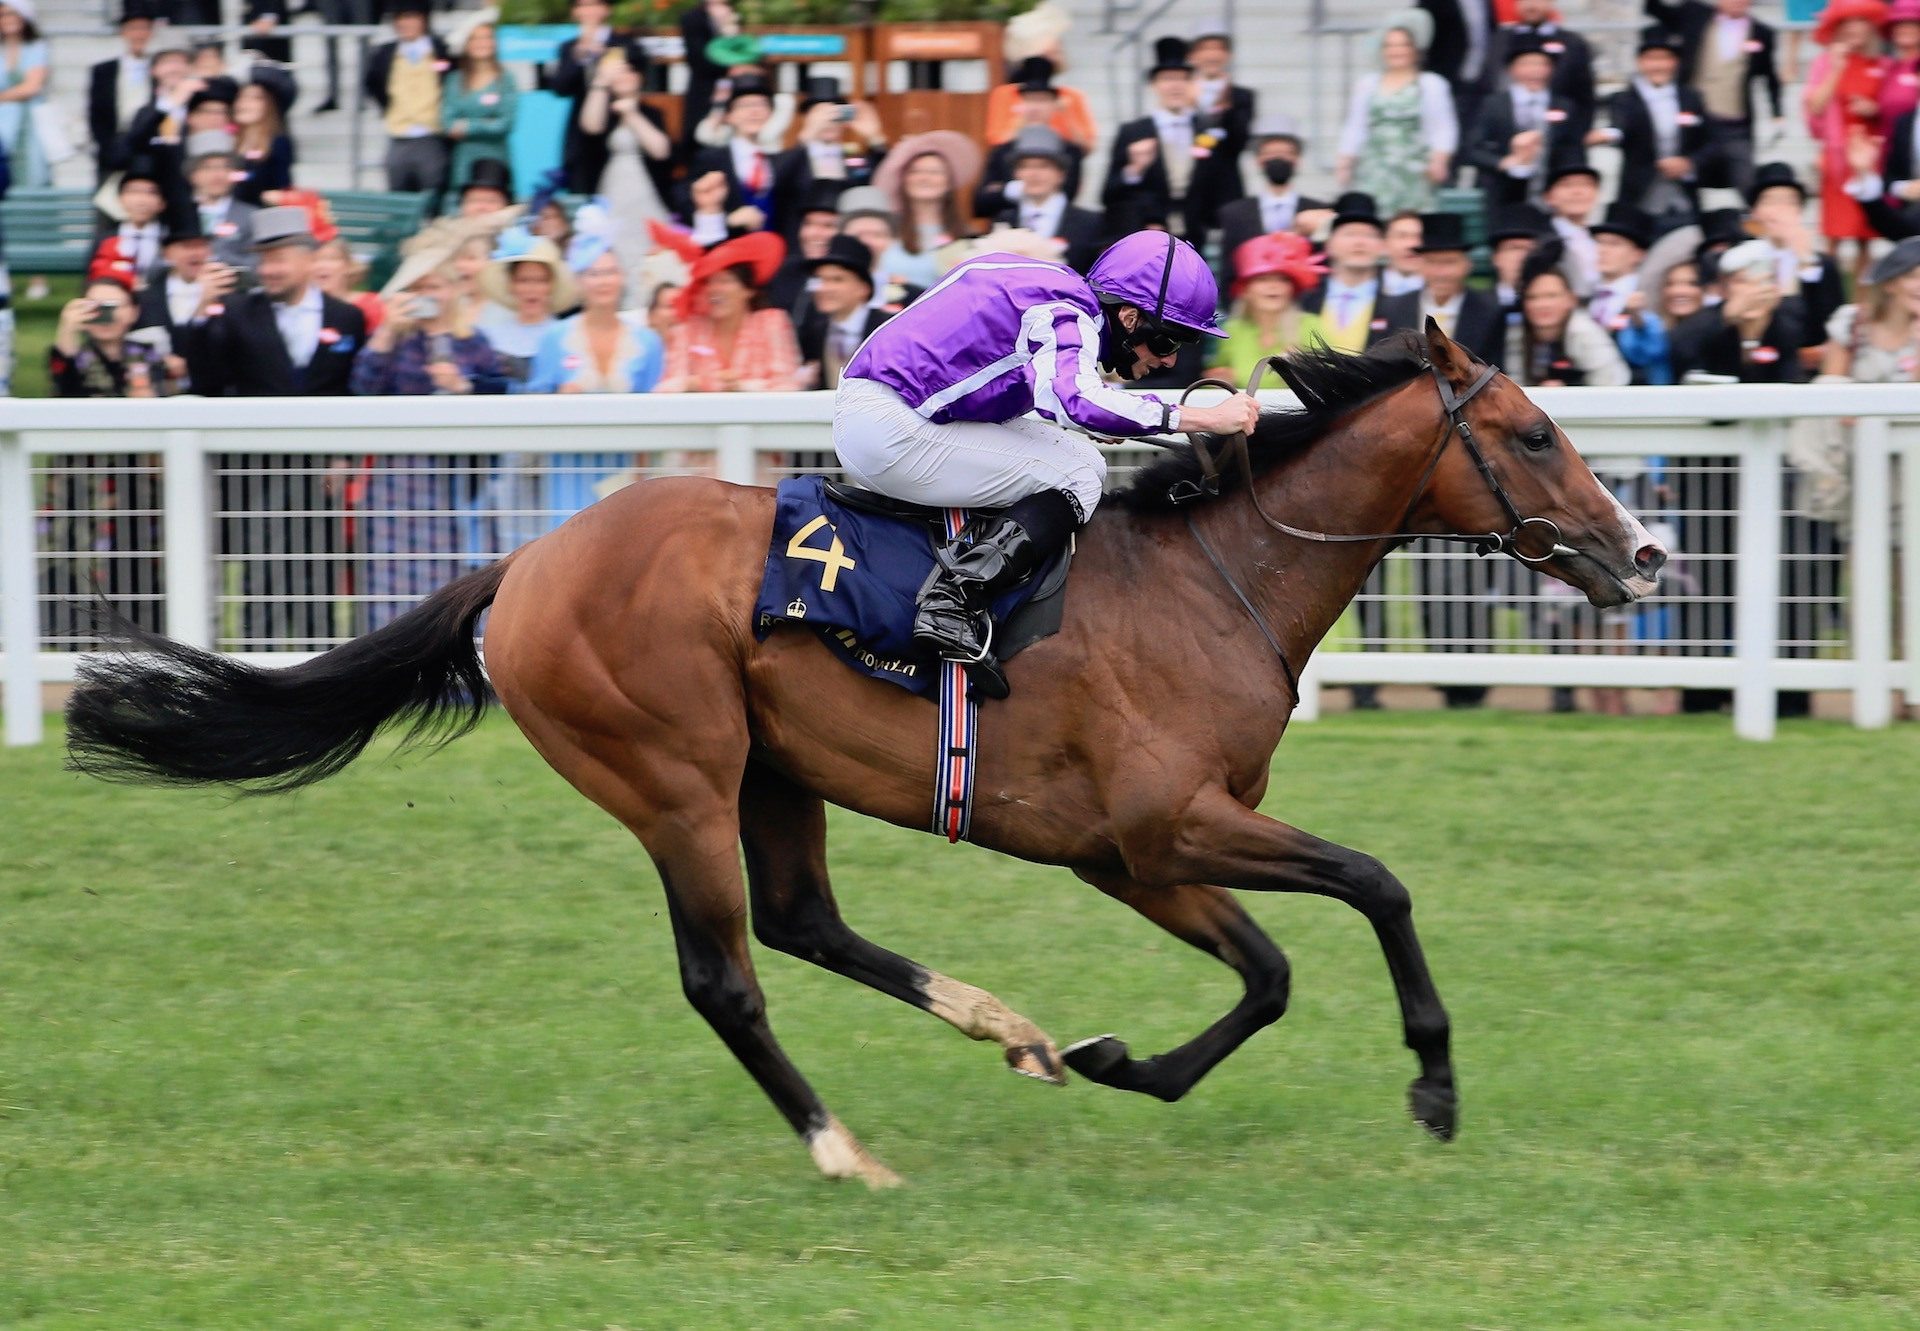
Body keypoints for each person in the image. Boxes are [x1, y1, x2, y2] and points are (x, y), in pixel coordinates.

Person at [835, 231, 1257, 696]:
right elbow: (1075, 399)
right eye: (1167, 341)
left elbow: (1007, 375)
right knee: (1077, 474)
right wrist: (1201, 418)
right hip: (890, 429)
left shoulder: (1051, 286)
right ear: (1130, 317)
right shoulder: (1066, 311)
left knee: (1081, 460)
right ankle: (953, 599)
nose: (1170, 359)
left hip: (889, 408)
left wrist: (1101, 416)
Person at [182, 205, 366, 396]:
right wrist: (203, 310)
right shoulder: (237, 312)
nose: (267, 270)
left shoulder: (347, 316)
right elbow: (204, 379)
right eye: (263, 261)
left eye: (278, 260)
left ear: (309, 260)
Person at [1103, 37, 1246, 245]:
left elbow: (1224, 180)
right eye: (1168, 79)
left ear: (1192, 83)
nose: (1175, 86)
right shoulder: (1133, 132)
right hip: (1148, 233)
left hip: (1199, 233)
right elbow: (1109, 193)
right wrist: (1134, 170)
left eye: (1182, 79)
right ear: (1154, 84)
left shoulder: (1208, 130)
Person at [1642, 0, 1782, 197]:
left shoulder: (1762, 33)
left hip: (1734, 124)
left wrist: (1777, 113)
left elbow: (1769, 76)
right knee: (1682, 182)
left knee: (1747, 185)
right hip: (1693, 123)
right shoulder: (1694, 14)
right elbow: (1656, 10)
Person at [1336, 10, 1458, 217]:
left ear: (1414, 50)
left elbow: (1443, 128)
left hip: (1415, 170)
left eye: (1403, 45)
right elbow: (1355, 126)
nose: (1396, 51)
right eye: (1390, 46)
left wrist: (1440, 160)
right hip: (1374, 169)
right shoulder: (1368, 84)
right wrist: (1345, 162)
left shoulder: (1431, 84)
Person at [1587, 27, 1708, 230]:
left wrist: (1688, 163)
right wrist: (1609, 134)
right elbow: (1622, 126)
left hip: (1683, 193)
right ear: (1641, 62)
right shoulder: (1624, 99)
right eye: (1652, 59)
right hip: (1640, 192)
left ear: (1674, 63)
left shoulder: (1691, 98)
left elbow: (1710, 141)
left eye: (1664, 58)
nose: (1658, 65)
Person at [1806, 0, 1891, 282]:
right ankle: (1830, 296)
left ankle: (1862, 303)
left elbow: (1892, 111)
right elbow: (1814, 107)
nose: (1855, 28)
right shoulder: (1824, 63)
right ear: (1838, 27)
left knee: (1865, 237)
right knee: (1834, 235)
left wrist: (1873, 108)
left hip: (1870, 159)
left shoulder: (1883, 64)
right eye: (1848, 22)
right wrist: (1836, 69)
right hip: (1838, 160)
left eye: (1861, 21)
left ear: (1871, 26)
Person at [657, 232, 799, 393]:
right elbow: (662, 390)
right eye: (710, 282)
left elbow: (788, 385)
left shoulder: (771, 323)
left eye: (725, 281)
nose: (714, 289)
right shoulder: (689, 329)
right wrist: (691, 384)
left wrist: (742, 387)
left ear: (748, 290)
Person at [1467, 33, 1589, 211]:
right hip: (1501, 191)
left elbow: (1573, 148)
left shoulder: (1564, 106)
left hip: (1548, 190)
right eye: (1527, 64)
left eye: (1542, 64)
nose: (1535, 71)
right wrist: (1503, 162)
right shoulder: (1493, 104)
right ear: (1511, 69)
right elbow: (1473, 148)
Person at [1669, 237, 1810, 382]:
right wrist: (1727, 317)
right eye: (1741, 281)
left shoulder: (1787, 317)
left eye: (1761, 281)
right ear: (1725, 288)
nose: (1751, 291)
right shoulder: (1709, 321)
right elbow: (1679, 348)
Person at [542, 0, 645, 195]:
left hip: (618, 120)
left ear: (606, 9)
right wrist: (580, 55)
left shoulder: (624, 42)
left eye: (594, 4)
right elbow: (560, 87)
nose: (588, 10)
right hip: (581, 129)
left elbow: (636, 72)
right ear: (575, 12)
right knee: (581, 185)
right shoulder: (568, 48)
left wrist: (603, 53)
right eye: (582, 5)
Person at [1747, 161, 1845, 361]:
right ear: (1756, 212)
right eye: (1771, 202)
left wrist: (1806, 265)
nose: (1780, 211)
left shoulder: (1823, 264)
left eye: (1789, 202)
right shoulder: (1745, 258)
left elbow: (1830, 321)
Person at [686, 76, 807, 238]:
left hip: (776, 249)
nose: (754, 112)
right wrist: (726, 219)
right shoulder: (711, 158)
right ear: (729, 116)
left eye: (761, 104)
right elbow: (685, 201)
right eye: (744, 105)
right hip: (729, 249)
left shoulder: (784, 158)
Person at [971, 127, 1104, 275]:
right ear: (1016, 174)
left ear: (1061, 174)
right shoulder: (1004, 220)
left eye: (1043, 166)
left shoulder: (1090, 222)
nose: (1034, 174)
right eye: (1025, 167)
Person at [1379, 211, 1505, 367]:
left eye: (1449, 262)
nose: (1441, 273)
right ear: (1420, 265)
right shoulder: (1393, 309)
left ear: (1467, 265)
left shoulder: (1489, 312)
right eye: (1432, 262)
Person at [364, 2, 452, 204]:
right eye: (401, 18)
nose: (406, 23)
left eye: (412, 17)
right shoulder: (384, 54)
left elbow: (450, 80)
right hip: (399, 135)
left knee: (433, 197)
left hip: (432, 135)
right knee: (398, 197)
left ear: (424, 20)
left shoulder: (441, 50)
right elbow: (373, 85)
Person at [1208, 232, 1327, 381]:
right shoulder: (1232, 331)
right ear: (1245, 290)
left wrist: (1306, 369)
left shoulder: (1312, 326)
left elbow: (1334, 379)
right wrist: (1219, 380)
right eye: (1263, 280)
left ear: (1292, 289)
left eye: (1282, 280)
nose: (1273, 286)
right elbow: (1214, 385)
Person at [1513, 239, 1631, 388]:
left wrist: (1567, 391)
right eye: (1533, 297)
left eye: (1551, 296)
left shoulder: (1585, 331)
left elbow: (1613, 383)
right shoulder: (1516, 332)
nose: (1542, 305)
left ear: (1572, 300)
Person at [873, 132, 980, 290]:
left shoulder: (968, 237)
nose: (924, 178)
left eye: (934, 172)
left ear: (949, 182)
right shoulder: (886, 231)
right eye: (915, 171)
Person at [985, 3, 1097, 153]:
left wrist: (1064, 113)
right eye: (1047, 53)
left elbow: (1086, 147)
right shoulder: (1007, 94)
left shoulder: (1070, 96)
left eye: (1057, 52)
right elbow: (998, 142)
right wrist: (1024, 116)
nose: (1053, 59)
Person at [577, 43, 672, 218]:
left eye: (629, 71)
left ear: (640, 76)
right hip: (611, 188)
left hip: (647, 192)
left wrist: (631, 114)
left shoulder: (652, 113)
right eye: (619, 72)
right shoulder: (603, 112)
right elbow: (591, 126)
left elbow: (661, 151)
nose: (624, 77)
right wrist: (602, 79)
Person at [976, 58, 1085, 203]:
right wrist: (1014, 190)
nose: (1035, 107)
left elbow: (1068, 194)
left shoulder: (1069, 150)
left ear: (1054, 106)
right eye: (1030, 100)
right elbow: (981, 201)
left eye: (1042, 100)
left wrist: (1004, 189)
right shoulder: (1003, 150)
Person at [479, 229, 575, 389]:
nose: (532, 289)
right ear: (511, 285)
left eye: (540, 281)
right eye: (523, 280)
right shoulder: (490, 337)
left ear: (551, 286)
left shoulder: (566, 336)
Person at [796, 233, 892, 391]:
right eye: (820, 279)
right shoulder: (814, 331)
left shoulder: (886, 329)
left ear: (864, 288)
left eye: (837, 279)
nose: (823, 288)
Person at [1297, 192, 1390, 353]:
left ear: (1382, 246)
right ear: (1328, 244)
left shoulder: (1398, 297)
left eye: (1369, 235)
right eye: (1350, 234)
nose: (1359, 242)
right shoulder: (1304, 297)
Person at [50, 272, 168, 397]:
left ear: (134, 311)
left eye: (112, 306)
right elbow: (62, 381)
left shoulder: (148, 354)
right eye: (96, 308)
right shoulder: (74, 357)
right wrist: (67, 330)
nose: (106, 316)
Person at [443, 10, 520, 198]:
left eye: (487, 38)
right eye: (476, 38)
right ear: (467, 44)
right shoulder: (455, 80)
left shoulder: (506, 80)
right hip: (464, 158)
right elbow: (447, 122)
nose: (482, 43)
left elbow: (505, 123)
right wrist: (487, 122)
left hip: (495, 155)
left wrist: (467, 126)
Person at [1489, 0, 1597, 122]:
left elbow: (1584, 93)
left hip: (1558, 127)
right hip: (1505, 127)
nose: (1531, 5)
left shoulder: (1572, 43)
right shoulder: (1498, 40)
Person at [88, 0, 159, 184]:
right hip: (115, 146)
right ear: (123, 32)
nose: (139, 34)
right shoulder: (104, 71)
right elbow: (96, 114)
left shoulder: (159, 68)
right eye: (133, 28)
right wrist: (108, 146)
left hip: (149, 148)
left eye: (144, 28)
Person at [184, 132, 255, 268]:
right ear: (192, 175)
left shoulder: (250, 216)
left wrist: (216, 258)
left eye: (225, 167)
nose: (217, 174)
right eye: (207, 167)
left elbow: (257, 265)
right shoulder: (178, 216)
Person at [0, 0, 50, 189]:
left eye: (12, 14)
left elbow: (32, 87)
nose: (7, 20)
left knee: (32, 171)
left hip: (30, 124)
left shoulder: (36, 47)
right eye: (3, 15)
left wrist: (2, 96)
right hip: (2, 125)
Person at [231, 74, 295, 208]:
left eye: (255, 98)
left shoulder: (277, 142)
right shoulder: (228, 140)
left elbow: (281, 186)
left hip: (259, 211)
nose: (244, 104)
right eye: (241, 97)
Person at [1885, 0, 1920, 129]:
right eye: (1899, 24)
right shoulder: (1887, 67)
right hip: (1890, 147)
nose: (1904, 28)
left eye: (1912, 23)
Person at [1381, 210, 1425, 296]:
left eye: (1419, 236)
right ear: (1384, 244)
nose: (1411, 244)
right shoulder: (1368, 286)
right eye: (1402, 236)